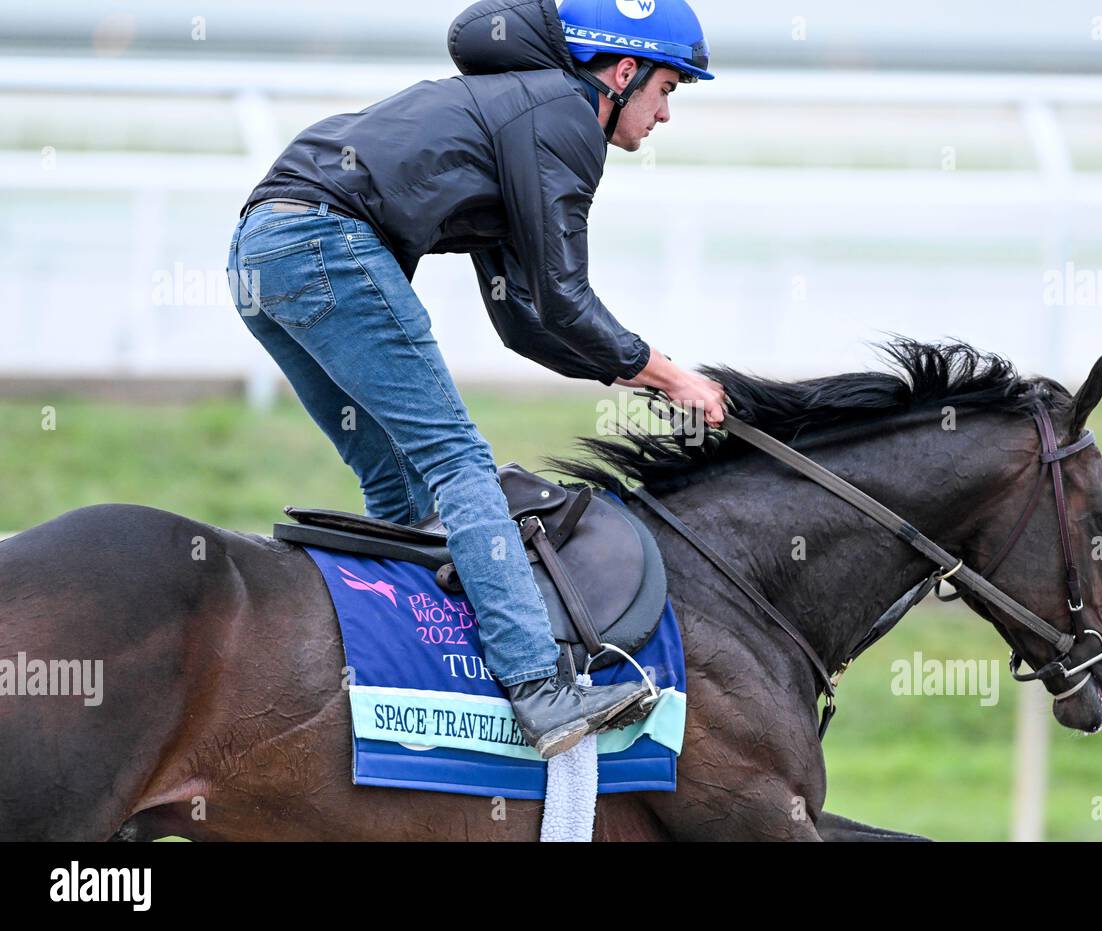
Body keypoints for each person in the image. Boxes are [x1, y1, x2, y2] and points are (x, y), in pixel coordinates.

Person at [225, 0, 726, 759]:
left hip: (262, 250)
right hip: (324, 238)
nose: (665, 115)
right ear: (623, 73)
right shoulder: (562, 114)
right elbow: (566, 298)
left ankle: (408, 675)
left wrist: (636, 376)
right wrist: (668, 374)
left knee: (393, 472)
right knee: (458, 461)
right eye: (667, 90)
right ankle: (542, 689)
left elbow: (525, 320)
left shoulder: (518, 112)